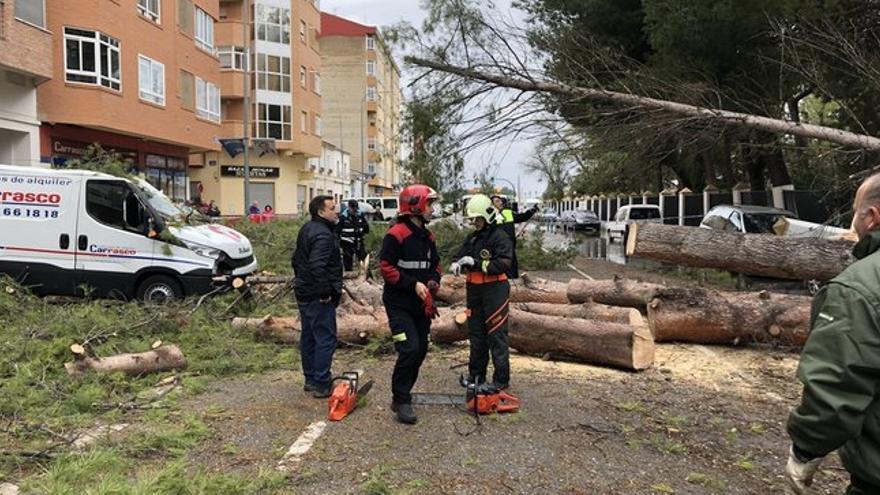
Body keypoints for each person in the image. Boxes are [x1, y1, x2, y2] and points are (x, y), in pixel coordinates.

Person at [785, 173, 880, 494]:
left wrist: (805, 449)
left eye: (855, 211)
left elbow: (836, 388)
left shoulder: (860, 288)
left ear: (872, 217)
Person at [379, 185, 442, 424]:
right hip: (399, 304)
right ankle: (401, 399)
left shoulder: (428, 236)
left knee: (421, 350)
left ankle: (403, 394)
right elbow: (386, 268)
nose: (432, 209)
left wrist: (434, 281)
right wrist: (412, 284)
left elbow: (436, 265)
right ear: (416, 206)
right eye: (429, 204)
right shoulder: (396, 234)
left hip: (420, 305)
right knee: (409, 349)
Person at [450, 194, 514, 391]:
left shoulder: (499, 236)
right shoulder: (473, 237)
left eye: (477, 219)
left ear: (486, 217)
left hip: (495, 290)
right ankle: (476, 376)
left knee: (497, 336)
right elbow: (460, 253)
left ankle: (500, 381)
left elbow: (504, 263)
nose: (474, 223)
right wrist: (456, 262)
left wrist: (477, 263)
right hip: (475, 291)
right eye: (472, 219)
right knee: (476, 335)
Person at [291, 195, 342, 399]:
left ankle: (311, 379)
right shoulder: (323, 235)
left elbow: (296, 259)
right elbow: (317, 265)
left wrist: (301, 281)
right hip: (316, 294)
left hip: (304, 291)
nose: (336, 211)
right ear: (321, 212)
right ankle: (321, 382)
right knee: (325, 337)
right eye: (332, 208)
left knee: (310, 336)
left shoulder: (308, 228)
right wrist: (324, 291)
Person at [491, 195, 539, 279]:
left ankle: (513, 280)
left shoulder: (507, 212)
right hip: (498, 244)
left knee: (512, 262)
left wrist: (532, 211)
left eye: (500, 200)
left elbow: (521, 217)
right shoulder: (491, 216)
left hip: (509, 242)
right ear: (492, 204)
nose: (501, 202)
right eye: (497, 201)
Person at [338, 200, 370, 271]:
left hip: (358, 242)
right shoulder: (343, 217)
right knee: (348, 263)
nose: (354, 210)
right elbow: (338, 231)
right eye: (353, 208)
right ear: (349, 207)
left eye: (355, 208)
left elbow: (366, 229)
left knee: (364, 261)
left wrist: (363, 227)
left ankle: (366, 276)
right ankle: (349, 276)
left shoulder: (360, 215)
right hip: (347, 243)